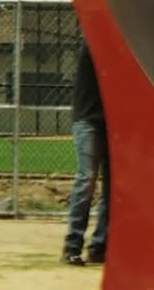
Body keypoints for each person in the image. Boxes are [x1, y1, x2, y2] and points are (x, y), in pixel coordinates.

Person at [61, 44, 109, 266]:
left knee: (113, 186)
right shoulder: (95, 42)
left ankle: (99, 246)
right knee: (87, 178)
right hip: (89, 119)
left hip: (113, 122)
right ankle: (72, 245)